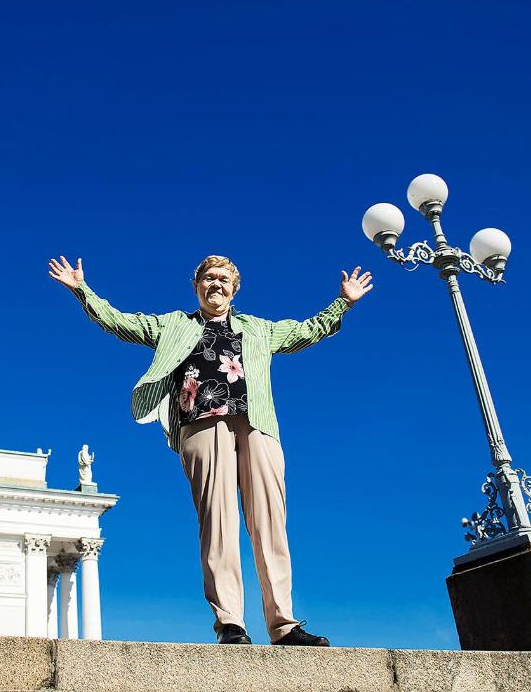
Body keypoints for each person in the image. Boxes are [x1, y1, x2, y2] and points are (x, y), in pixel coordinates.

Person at [47, 254, 372, 646]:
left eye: (223, 279)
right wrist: (83, 291)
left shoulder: (259, 329)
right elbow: (121, 322)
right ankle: (231, 621)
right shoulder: (174, 324)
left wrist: (344, 302)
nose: (216, 284)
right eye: (208, 278)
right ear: (196, 286)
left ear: (235, 289)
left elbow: (307, 331)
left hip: (258, 424)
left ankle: (284, 624)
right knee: (218, 522)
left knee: (270, 521)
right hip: (201, 424)